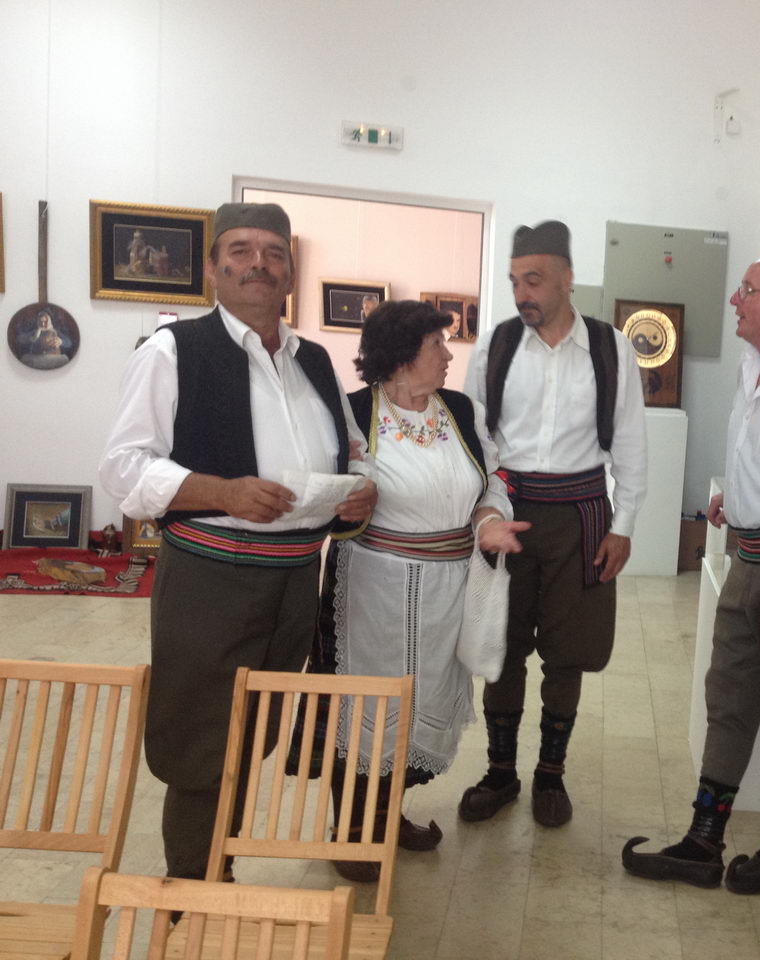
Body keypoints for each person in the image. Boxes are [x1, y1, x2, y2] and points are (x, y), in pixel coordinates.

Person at [98, 202, 377, 882]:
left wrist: (362, 486)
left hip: (295, 579)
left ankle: (219, 863)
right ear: (213, 268)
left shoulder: (315, 359)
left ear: (290, 272)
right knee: (202, 733)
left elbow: (353, 450)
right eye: (242, 251)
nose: (259, 264)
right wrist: (221, 492)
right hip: (209, 578)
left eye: (274, 253)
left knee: (256, 727)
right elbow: (123, 468)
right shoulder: (173, 350)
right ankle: (192, 888)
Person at [622, 250, 760, 892]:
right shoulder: (752, 366)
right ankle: (703, 840)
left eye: (748, 289)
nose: (734, 300)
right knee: (727, 699)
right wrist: (736, 499)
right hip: (745, 556)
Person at [308, 299, 528, 882]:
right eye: (437, 344)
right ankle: (352, 831)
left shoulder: (461, 411)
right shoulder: (354, 413)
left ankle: (386, 817)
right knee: (367, 710)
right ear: (403, 355)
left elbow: (491, 481)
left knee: (420, 705)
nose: (448, 355)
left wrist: (489, 521)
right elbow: (331, 492)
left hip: (448, 589)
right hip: (373, 590)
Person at [460, 220, 647, 827]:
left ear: (568, 278)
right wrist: (482, 512)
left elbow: (632, 444)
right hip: (508, 512)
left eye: (534, 280)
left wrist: (624, 524)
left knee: (568, 654)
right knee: (502, 647)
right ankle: (500, 773)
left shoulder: (610, 348)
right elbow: (474, 438)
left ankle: (550, 774)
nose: (523, 294)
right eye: (515, 281)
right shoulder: (496, 346)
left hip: (582, 516)